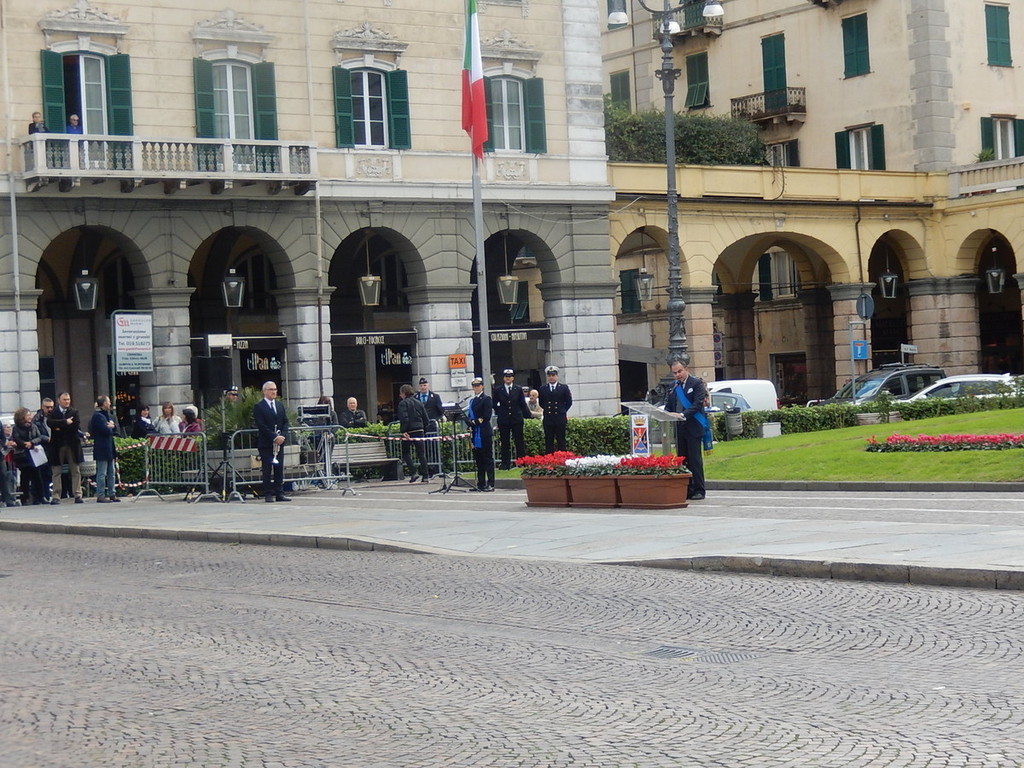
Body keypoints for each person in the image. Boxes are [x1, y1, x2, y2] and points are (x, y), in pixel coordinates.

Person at [663, 356, 709, 501]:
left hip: (693, 427)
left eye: (679, 371)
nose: (677, 375)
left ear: (686, 369)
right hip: (680, 429)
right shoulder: (673, 386)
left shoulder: (696, 383)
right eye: (675, 373)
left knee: (695, 460)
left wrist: (683, 415)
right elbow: (669, 406)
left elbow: (697, 404)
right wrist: (664, 413)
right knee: (683, 460)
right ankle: (688, 489)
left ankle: (699, 490)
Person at [253, 380, 290, 502]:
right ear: (264, 391)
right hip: (266, 444)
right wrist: (274, 437)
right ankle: (268, 494)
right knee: (267, 469)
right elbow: (261, 425)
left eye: (275, 389)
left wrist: (282, 436)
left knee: (279, 468)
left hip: (279, 444)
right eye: (271, 389)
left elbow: (285, 422)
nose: (274, 392)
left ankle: (279, 493)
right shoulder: (259, 406)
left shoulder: (279, 405)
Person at [47, 391, 84, 503]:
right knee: (56, 471)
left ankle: (77, 494)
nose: (67, 402)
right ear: (59, 400)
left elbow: (75, 426)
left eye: (68, 399)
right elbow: (50, 423)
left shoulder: (74, 412)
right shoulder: (53, 412)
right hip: (57, 445)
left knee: (75, 470)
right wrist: (65, 422)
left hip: (72, 445)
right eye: (64, 399)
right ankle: (56, 496)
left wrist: (59, 426)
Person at [492, 368, 532, 470]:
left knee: (519, 441)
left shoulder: (518, 389)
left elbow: (522, 403)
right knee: (505, 442)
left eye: (510, 377)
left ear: (513, 378)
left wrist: (528, 415)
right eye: (506, 377)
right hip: (504, 419)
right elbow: (494, 404)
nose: (508, 378)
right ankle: (505, 463)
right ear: (503, 378)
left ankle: (521, 462)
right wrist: (500, 411)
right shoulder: (498, 390)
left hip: (516, 418)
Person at [396, 383, 430, 483]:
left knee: (405, 452)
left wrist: (404, 431)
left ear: (404, 393)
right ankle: (425, 476)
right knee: (421, 454)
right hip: (420, 430)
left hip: (409, 431)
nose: (400, 395)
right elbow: (426, 419)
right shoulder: (419, 402)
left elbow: (404, 418)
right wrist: (423, 429)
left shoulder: (403, 403)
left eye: (401, 393)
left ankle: (413, 472)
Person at [11, 407, 45, 505]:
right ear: (22, 417)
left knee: (37, 476)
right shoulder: (16, 428)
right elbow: (17, 439)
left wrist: (32, 443)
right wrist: (25, 444)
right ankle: (25, 498)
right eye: (27, 415)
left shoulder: (33, 426)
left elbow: (39, 437)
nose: (30, 417)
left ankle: (40, 497)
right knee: (25, 477)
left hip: (34, 453)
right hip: (22, 454)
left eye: (30, 415)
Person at [89, 395, 120, 503]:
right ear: (104, 403)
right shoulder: (98, 416)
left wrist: (112, 426)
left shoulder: (106, 415)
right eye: (108, 402)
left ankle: (112, 493)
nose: (110, 403)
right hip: (102, 447)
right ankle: (101, 495)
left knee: (111, 472)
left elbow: (114, 428)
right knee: (102, 473)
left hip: (109, 447)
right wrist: (111, 427)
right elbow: (106, 430)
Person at [466, 377, 495, 492]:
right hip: (475, 432)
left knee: (487, 459)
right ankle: (481, 483)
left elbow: (486, 416)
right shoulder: (472, 401)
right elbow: (469, 415)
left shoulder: (486, 399)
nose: (476, 388)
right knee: (479, 460)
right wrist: (469, 422)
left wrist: (475, 422)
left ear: (482, 386)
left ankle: (491, 483)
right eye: (474, 386)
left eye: (478, 386)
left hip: (484, 432)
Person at [538, 365, 572, 454]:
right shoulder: (543, 388)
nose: (551, 377)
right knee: (549, 440)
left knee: (561, 440)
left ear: (557, 376)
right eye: (549, 375)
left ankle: (562, 458)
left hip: (560, 418)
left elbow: (569, 402)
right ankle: (549, 459)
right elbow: (541, 403)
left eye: (553, 375)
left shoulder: (564, 388)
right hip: (548, 418)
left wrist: (562, 410)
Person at [32, 398, 55, 504]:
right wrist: (46, 438)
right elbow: (36, 434)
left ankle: (47, 495)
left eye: (51, 407)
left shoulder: (53, 417)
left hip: (52, 448)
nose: (49, 409)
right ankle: (40, 496)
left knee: (49, 473)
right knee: (41, 474)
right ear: (42, 407)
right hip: (41, 448)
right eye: (47, 407)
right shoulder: (37, 419)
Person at [0, 423, 19, 508]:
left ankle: (7, 499)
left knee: (4, 476)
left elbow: (2, 437)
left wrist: (3, 444)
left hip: (0, 456)